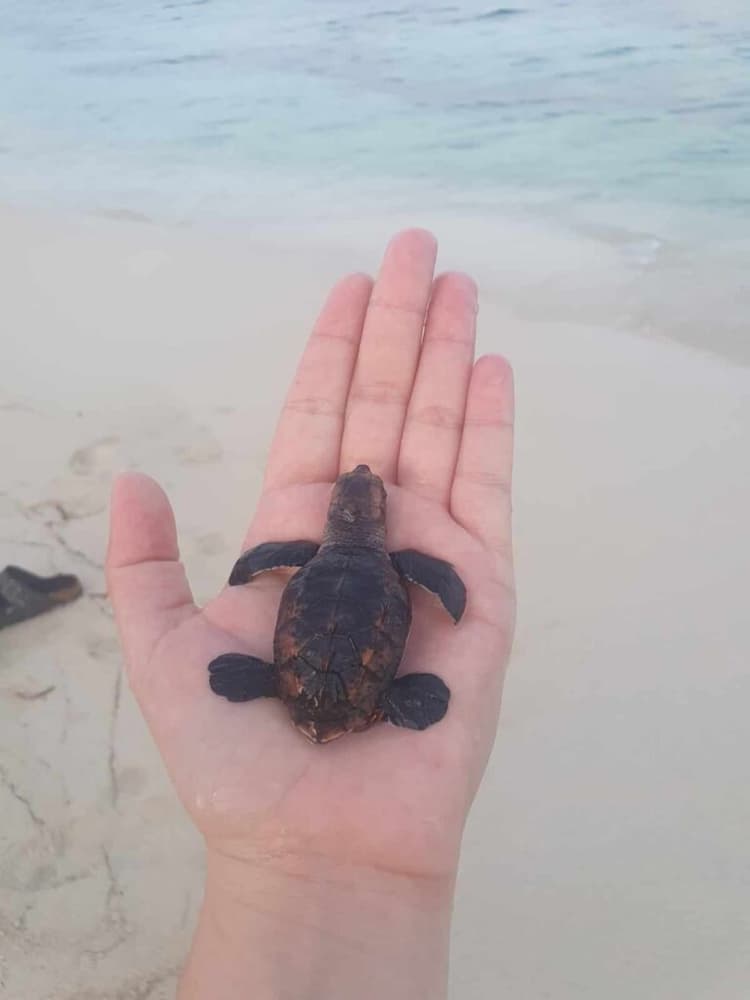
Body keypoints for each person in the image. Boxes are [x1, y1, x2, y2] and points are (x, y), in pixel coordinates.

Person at [106, 229, 516, 1000]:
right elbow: (439, 584)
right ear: (377, 522)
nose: (360, 483)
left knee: (310, 648)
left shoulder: (303, 558)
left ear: (332, 519)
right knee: (384, 658)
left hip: (300, 667)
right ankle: (377, 703)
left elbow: (260, 566)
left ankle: (279, 684)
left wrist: (249, 567)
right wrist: (452, 597)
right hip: (364, 675)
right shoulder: (400, 567)